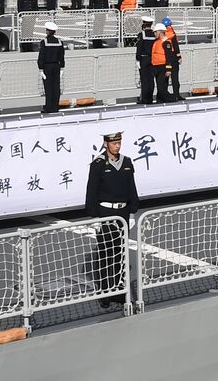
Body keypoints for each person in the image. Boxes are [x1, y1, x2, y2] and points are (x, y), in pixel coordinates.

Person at [84, 132, 137, 308]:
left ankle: (118, 290)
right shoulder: (98, 164)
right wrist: (94, 216)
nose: (118, 146)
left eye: (119, 143)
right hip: (106, 212)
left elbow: (131, 188)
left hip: (122, 212)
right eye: (114, 143)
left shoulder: (127, 162)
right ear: (106, 144)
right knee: (105, 254)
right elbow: (91, 190)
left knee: (120, 254)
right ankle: (105, 292)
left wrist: (132, 213)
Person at [38, 21, 65, 113]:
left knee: (48, 87)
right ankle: (55, 106)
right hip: (57, 66)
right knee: (56, 87)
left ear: (47, 31)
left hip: (47, 66)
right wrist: (62, 67)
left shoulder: (44, 42)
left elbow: (42, 56)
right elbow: (62, 55)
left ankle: (48, 107)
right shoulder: (59, 42)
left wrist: (40, 68)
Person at [135, 16, 158, 103]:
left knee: (144, 79)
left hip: (144, 59)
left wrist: (137, 59)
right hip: (153, 59)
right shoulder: (154, 34)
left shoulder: (142, 34)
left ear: (144, 24)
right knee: (151, 79)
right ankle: (150, 98)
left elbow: (139, 47)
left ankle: (144, 99)